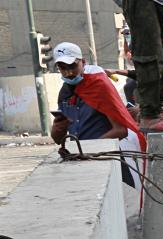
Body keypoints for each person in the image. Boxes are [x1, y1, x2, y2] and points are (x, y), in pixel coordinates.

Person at [50, 41, 144, 188]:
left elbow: (121, 130)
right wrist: (56, 129)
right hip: (79, 162)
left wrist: (90, 151)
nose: (68, 73)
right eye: (63, 68)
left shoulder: (99, 85)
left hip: (107, 159)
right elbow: (58, 139)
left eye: (73, 66)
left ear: (83, 62)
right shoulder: (65, 92)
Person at [121, 0, 163, 130]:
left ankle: (156, 110)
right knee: (150, 57)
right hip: (141, 3)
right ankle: (148, 116)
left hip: (159, 2)